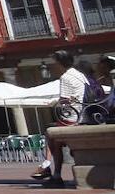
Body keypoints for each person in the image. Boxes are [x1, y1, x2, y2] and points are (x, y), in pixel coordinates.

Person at [33, 49, 89, 188]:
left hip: (71, 117)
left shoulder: (65, 77)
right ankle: (50, 169)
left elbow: (64, 100)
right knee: (53, 137)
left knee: (50, 135)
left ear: (60, 63)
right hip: (83, 115)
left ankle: (50, 169)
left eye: (55, 63)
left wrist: (53, 103)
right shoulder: (80, 75)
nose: (53, 66)